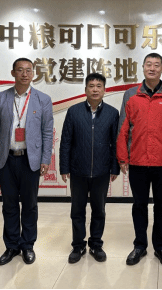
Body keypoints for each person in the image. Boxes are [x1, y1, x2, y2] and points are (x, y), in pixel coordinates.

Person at [117, 53, 162, 268]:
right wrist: (122, 157)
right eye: (148, 64)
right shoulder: (130, 95)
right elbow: (123, 128)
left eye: (156, 65)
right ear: (142, 67)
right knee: (139, 205)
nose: (152, 68)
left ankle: (160, 246)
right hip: (137, 161)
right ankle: (140, 245)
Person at [0, 58, 54, 266]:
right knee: (9, 205)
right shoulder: (1, 98)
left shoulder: (43, 99)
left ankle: (27, 245)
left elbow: (47, 132)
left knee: (30, 205)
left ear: (33, 73)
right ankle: (11, 246)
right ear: (13, 73)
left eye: (28, 70)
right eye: (20, 70)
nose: (25, 74)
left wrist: (45, 159)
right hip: (6, 159)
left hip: (30, 160)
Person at [59, 73, 120, 264]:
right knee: (77, 210)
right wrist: (64, 167)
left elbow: (115, 143)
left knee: (99, 210)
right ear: (85, 89)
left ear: (104, 90)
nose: (95, 89)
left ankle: (96, 244)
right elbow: (66, 141)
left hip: (102, 171)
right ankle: (78, 245)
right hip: (78, 170)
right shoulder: (74, 111)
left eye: (99, 86)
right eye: (91, 86)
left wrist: (115, 167)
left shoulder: (112, 113)